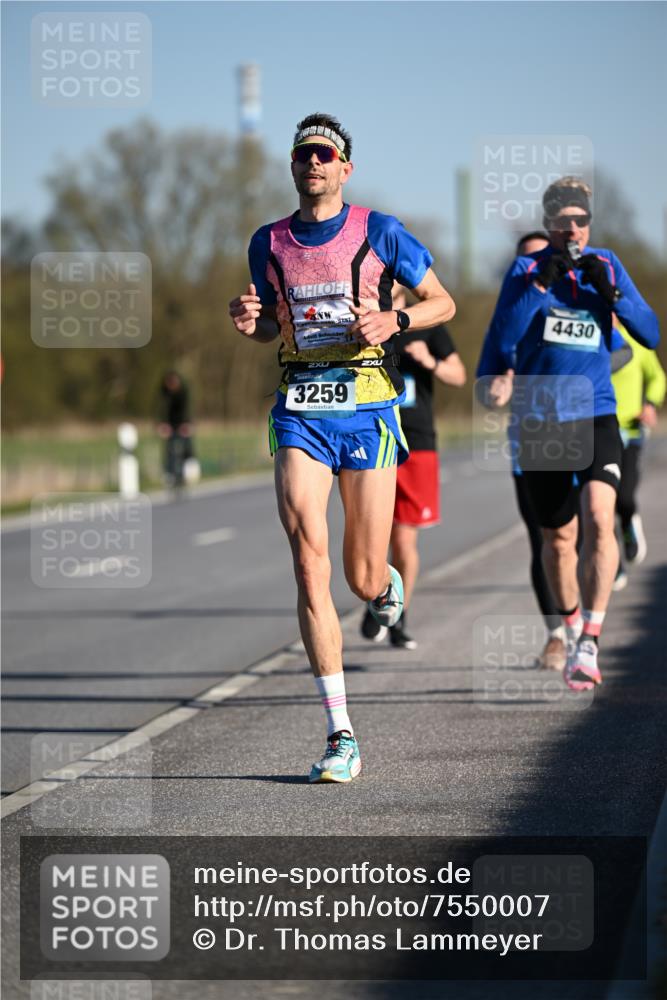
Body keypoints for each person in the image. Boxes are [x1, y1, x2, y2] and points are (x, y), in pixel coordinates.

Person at [228, 113, 455, 781]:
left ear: (344, 168)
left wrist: (396, 318)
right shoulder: (267, 241)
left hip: (366, 408)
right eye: (303, 155)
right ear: (293, 167)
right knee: (307, 561)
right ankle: (340, 734)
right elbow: (270, 323)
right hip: (299, 406)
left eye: (325, 154)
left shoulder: (379, 230)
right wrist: (249, 323)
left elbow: (441, 301)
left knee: (360, 577)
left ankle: (381, 584)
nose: (313, 163)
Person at [482, 177, 659, 691]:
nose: (574, 229)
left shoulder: (606, 263)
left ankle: (590, 640)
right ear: (550, 224)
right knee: (558, 539)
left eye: (581, 220)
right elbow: (504, 339)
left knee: (600, 519)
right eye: (563, 222)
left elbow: (650, 333)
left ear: (588, 222)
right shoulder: (525, 270)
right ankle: (571, 624)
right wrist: (538, 285)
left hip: (597, 412)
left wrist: (615, 295)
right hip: (541, 420)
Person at [361, 283, 466, 649]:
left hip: (417, 441)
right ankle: (378, 593)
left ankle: (398, 613)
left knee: (403, 541)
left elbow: (459, 374)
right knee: (371, 535)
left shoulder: (429, 322)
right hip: (372, 435)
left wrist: (430, 361)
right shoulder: (364, 319)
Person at [611, 320, 665, 589]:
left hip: (630, 430)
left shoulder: (636, 340)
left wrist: (651, 404)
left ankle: (629, 523)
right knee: (599, 505)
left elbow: (657, 377)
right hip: (597, 431)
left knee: (624, 496)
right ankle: (613, 566)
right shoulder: (590, 338)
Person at [157, 371, 195, 488]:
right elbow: (161, 409)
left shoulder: (184, 392)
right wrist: (162, 424)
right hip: (169, 423)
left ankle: (188, 471)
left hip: (183, 422)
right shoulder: (164, 393)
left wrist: (187, 424)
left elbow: (187, 409)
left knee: (186, 446)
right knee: (170, 449)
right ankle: (170, 474)